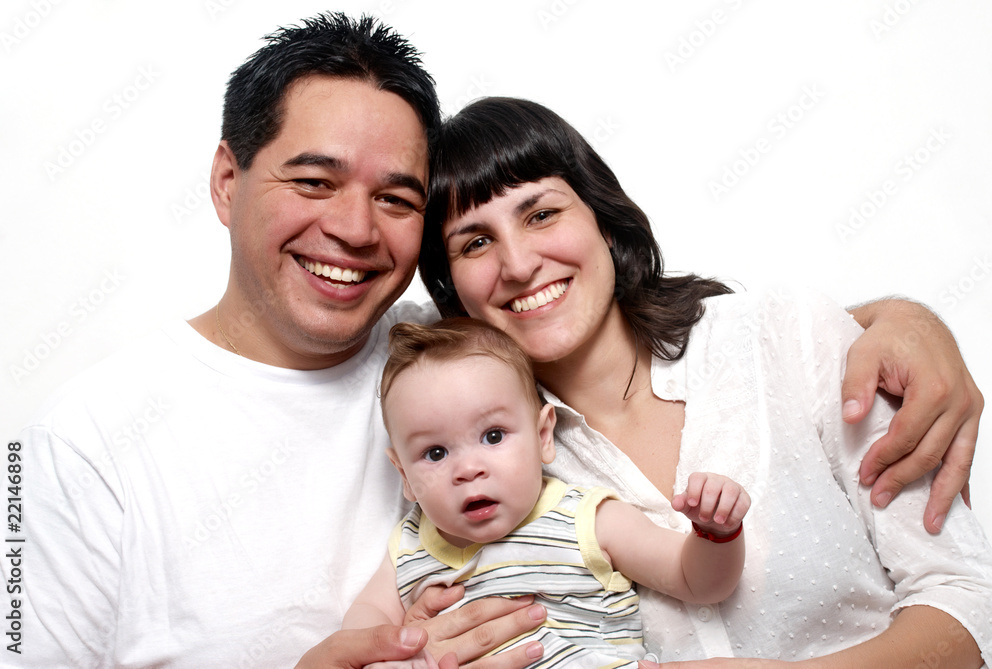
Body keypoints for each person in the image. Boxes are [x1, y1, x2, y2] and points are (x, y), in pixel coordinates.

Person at [0, 12, 982, 669]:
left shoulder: (476, 370)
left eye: (392, 199)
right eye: (311, 179)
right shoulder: (91, 438)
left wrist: (907, 319)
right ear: (225, 181)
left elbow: (964, 594)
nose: (350, 228)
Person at [415, 96, 992, 666]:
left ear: (603, 222)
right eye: (476, 243)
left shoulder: (783, 337)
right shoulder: (467, 463)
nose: (517, 265)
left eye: (541, 214)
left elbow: (968, 601)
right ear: (452, 291)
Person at [343, 318, 750, 668]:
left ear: (543, 436)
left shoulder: (586, 519)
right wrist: (389, 654)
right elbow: (366, 619)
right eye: (435, 453)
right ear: (405, 476)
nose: (468, 469)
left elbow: (696, 581)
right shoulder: (409, 547)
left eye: (493, 435)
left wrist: (715, 532)